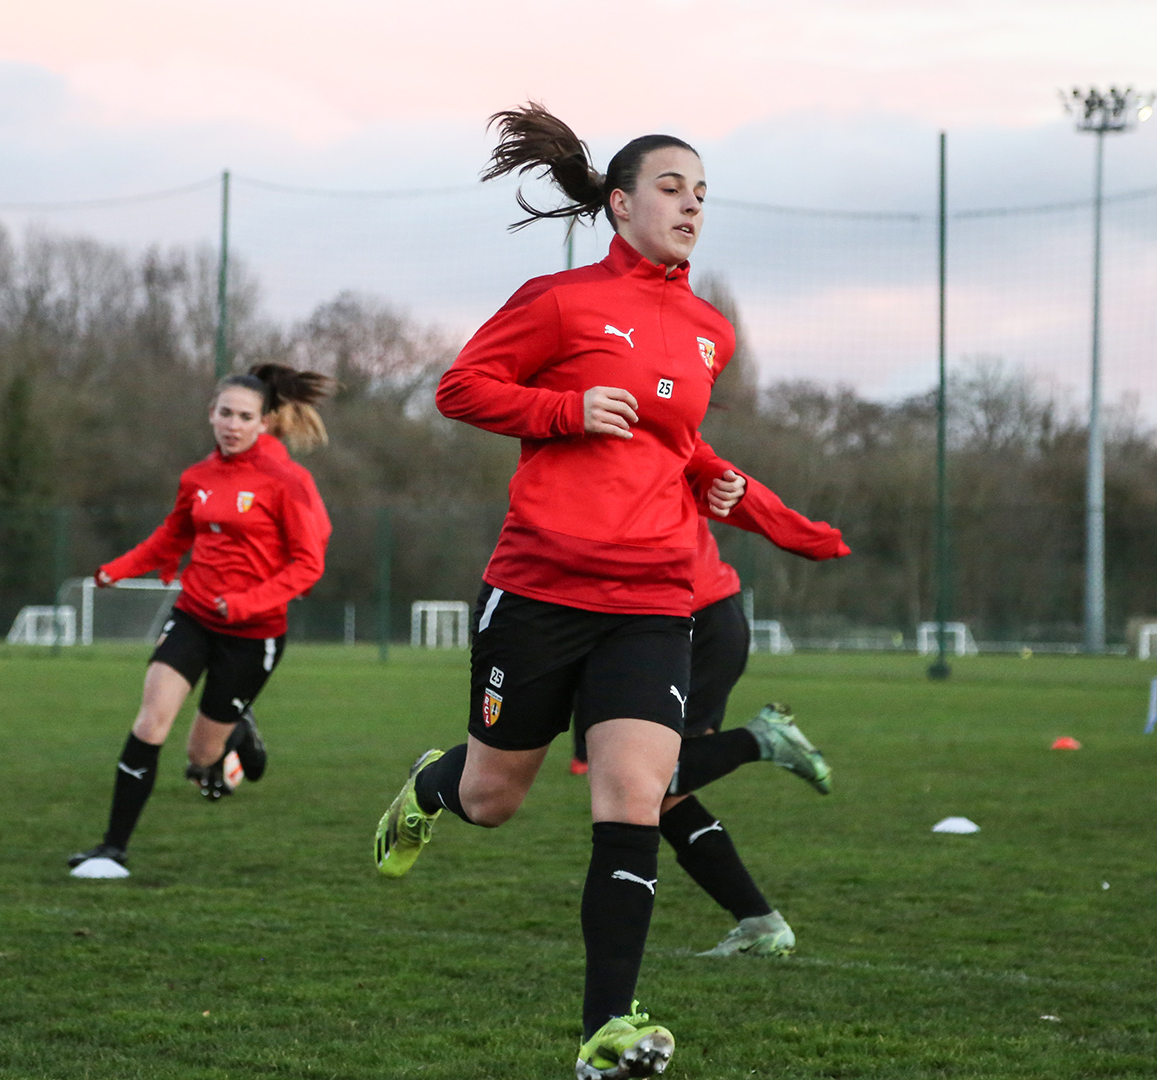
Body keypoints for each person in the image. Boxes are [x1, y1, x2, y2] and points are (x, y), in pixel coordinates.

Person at [371, 103, 745, 1080]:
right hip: (541, 587)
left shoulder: (711, 332)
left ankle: (605, 1032)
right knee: (493, 798)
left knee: (634, 793)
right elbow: (461, 389)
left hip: (656, 598)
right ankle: (429, 786)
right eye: (671, 187)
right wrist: (564, 409)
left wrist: (714, 482)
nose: (690, 204)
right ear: (619, 205)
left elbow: (675, 446)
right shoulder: (560, 301)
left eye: (702, 193)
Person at [67, 364, 333, 879]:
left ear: (266, 422)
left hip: (254, 635)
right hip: (194, 617)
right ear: (210, 414)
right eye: (225, 413)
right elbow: (171, 538)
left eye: (245, 416)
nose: (233, 424)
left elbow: (308, 563)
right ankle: (112, 849)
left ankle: (236, 734)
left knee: (199, 756)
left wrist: (247, 603)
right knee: (150, 722)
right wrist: (115, 570)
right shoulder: (198, 477)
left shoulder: (289, 481)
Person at [625, 443, 849, 958]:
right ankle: (760, 923)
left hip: (695, 623)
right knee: (658, 796)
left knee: (642, 781)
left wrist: (817, 541)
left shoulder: (654, 428)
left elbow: (736, 487)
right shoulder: (594, 429)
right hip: (671, 624)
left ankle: (760, 739)